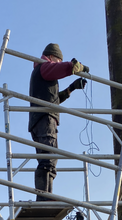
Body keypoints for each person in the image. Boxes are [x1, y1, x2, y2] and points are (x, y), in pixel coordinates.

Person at [28, 43, 90, 201]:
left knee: (48, 158)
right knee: (48, 158)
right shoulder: (44, 67)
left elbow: (53, 100)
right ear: (50, 57)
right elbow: (58, 69)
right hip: (45, 119)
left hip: (41, 119)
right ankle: (44, 198)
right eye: (57, 60)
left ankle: (45, 197)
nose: (57, 63)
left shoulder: (41, 73)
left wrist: (71, 88)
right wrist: (74, 67)